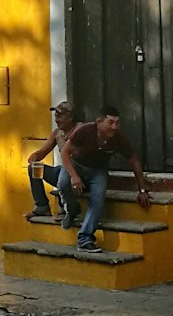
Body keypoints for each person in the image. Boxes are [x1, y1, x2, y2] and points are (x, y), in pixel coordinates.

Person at [60, 106, 151, 250]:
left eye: (117, 123)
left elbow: (134, 160)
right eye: (110, 122)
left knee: (98, 196)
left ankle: (85, 238)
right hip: (76, 165)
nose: (114, 127)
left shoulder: (118, 139)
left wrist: (142, 189)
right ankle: (72, 210)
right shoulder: (85, 131)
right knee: (63, 183)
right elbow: (65, 152)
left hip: (98, 171)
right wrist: (74, 176)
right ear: (99, 122)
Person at [26, 102, 77, 222]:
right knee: (33, 168)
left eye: (60, 116)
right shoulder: (57, 133)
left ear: (70, 117)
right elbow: (43, 151)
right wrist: (34, 157)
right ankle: (41, 206)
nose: (56, 120)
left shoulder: (80, 130)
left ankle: (65, 210)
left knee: (63, 174)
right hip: (62, 172)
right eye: (55, 116)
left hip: (77, 174)